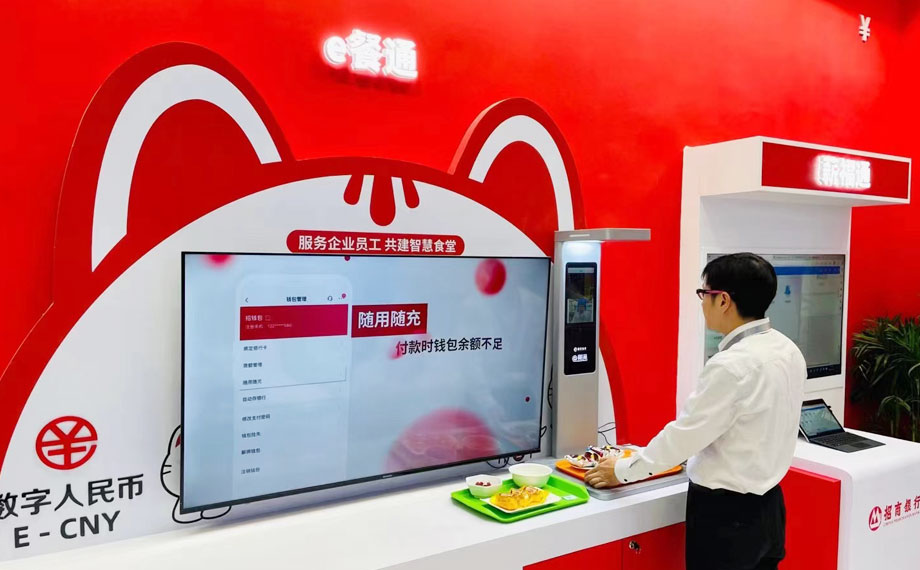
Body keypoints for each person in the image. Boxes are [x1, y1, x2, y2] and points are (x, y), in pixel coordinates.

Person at [585, 252, 806, 570]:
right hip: (771, 510)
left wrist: (621, 471)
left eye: (705, 294)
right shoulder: (788, 350)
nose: (702, 303)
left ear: (724, 300)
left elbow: (684, 437)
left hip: (727, 519)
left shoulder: (732, 365)